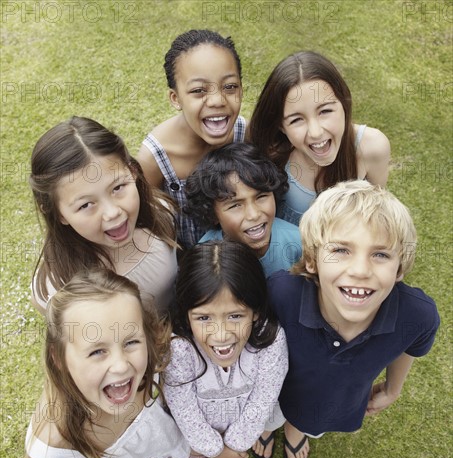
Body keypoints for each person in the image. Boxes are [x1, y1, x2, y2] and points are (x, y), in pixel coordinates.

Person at [264, 180, 439, 458]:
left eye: (381, 254)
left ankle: (296, 432)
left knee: (310, 422)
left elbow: (412, 344)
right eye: (341, 250)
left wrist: (394, 388)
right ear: (312, 261)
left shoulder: (417, 315)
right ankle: (269, 429)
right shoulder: (282, 293)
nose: (360, 270)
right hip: (276, 391)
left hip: (338, 403)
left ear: (399, 269)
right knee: (269, 415)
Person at [25, 269, 190, 458]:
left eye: (131, 342)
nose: (122, 365)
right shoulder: (54, 439)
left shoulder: (156, 358)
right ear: (59, 358)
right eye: (97, 352)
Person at [162, 241, 288, 458]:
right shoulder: (179, 348)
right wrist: (216, 452)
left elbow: (263, 400)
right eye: (204, 318)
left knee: (267, 418)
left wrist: (236, 445)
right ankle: (197, 453)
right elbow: (184, 410)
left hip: (245, 422)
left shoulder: (271, 340)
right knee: (192, 438)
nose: (220, 335)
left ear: (256, 311)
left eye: (235, 315)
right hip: (199, 426)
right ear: (186, 315)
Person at [30, 116, 178, 315]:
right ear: (58, 214)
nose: (112, 212)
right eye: (86, 205)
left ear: (132, 171)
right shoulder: (57, 286)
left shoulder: (162, 214)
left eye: (118, 187)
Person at [248, 51, 391, 225]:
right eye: (296, 120)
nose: (315, 132)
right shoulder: (271, 153)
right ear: (281, 127)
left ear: (344, 104)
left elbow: (376, 217)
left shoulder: (373, 147)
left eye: (325, 111)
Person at [137, 29, 246, 249]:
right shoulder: (156, 157)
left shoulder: (245, 134)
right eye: (198, 90)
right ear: (175, 98)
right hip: (187, 267)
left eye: (230, 86)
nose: (217, 100)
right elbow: (146, 225)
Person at [185, 142, 302, 277]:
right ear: (212, 214)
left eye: (261, 197)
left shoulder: (298, 243)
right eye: (235, 205)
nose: (253, 215)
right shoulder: (205, 257)